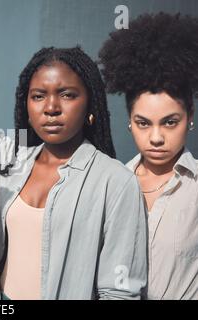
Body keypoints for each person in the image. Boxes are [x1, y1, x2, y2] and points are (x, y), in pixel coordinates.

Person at [0, 0, 147, 299]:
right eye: (39, 96)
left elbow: (121, 292)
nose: (52, 108)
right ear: (26, 106)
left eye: (67, 95)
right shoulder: (9, 160)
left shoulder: (116, 183)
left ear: (90, 105)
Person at [99, 12, 198, 300]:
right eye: (143, 123)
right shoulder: (112, 185)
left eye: (170, 122)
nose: (156, 137)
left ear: (189, 118)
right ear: (129, 120)